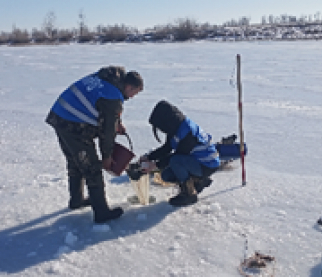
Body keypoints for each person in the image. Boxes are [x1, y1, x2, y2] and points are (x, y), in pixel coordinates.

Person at [46, 66, 143, 223]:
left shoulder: (108, 79)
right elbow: (107, 133)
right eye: (134, 92)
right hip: (73, 125)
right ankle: (101, 213)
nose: (132, 97)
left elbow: (100, 104)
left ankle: (76, 200)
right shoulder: (113, 97)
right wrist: (107, 157)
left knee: (75, 161)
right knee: (92, 168)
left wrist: (117, 121)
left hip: (60, 115)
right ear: (128, 87)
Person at [140, 100, 220, 207]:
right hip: (196, 161)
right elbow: (167, 148)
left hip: (207, 164)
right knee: (166, 175)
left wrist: (155, 165)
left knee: (175, 161)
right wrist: (148, 157)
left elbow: (176, 157)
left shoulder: (188, 132)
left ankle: (189, 194)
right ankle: (198, 182)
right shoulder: (176, 126)